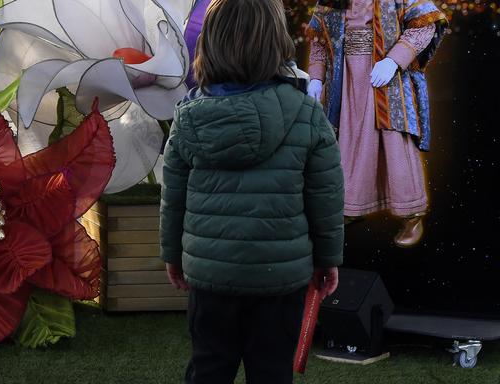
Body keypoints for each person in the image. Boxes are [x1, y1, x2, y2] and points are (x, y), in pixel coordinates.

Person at [160, 0, 344, 382]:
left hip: (210, 276)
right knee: (273, 371)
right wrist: (328, 258)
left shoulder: (187, 117)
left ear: (208, 45)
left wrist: (173, 256)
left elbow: (172, 198)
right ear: (277, 42)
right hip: (282, 278)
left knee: (209, 367)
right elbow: (325, 197)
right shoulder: (307, 115)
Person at [306, 0, 447, 247]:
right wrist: (316, 77)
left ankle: (411, 213)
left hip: (387, 79)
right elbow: (319, 39)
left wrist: (394, 60)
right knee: (349, 141)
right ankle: (351, 204)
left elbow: (426, 24)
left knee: (395, 142)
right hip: (346, 80)